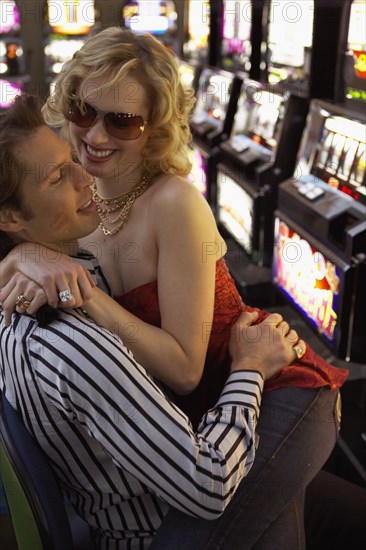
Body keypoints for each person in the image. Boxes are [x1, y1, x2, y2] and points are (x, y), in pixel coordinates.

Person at [0, 95, 342, 550]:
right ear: (11, 217)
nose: (86, 171)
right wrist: (250, 368)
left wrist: (24, 252)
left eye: (123, 122)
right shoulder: (72, 343)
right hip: (164, 522)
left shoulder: (33, 283)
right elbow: (209, 484)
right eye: (59, 175)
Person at [0, 26, 347, 429]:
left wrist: (86, 293)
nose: (95, 135)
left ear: (155, 129)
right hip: (186, 426)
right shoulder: (76, 201)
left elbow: (184, 372)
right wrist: (24, 254)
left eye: (123, 122)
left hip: (270, 393)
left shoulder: (175, 203)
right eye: (83, 110)